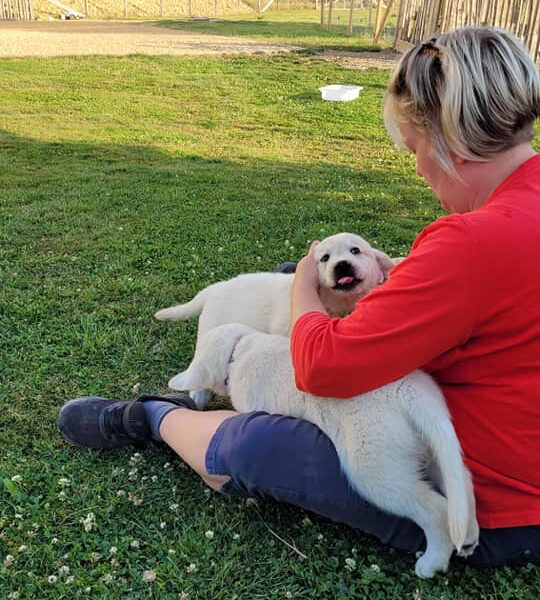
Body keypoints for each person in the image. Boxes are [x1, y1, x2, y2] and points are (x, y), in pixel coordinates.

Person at [59, 26, 540, 567]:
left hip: (494, 498)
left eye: (414, 147)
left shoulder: (469, 243)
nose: (417, 167)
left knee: (256, 445)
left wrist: (303, 289)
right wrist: (410, 276)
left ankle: (151, 417)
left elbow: (320, 367)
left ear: (450, 136)